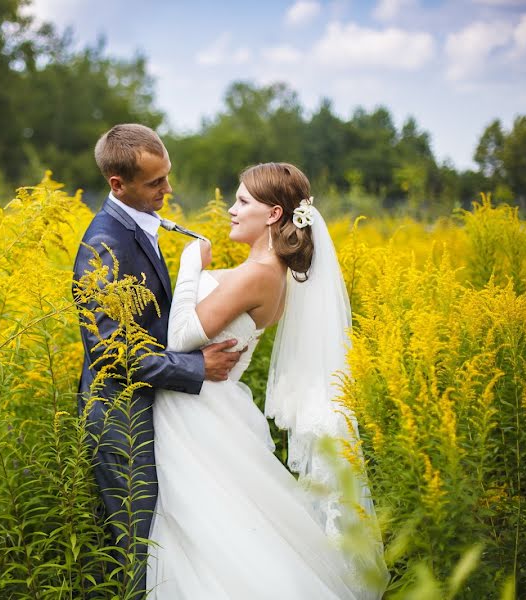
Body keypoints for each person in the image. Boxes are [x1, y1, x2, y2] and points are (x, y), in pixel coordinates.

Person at [147, 162, 388, 599]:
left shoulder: (259, 273)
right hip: (211, 407)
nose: (231, 210)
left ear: (274, 214)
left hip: (198, 414)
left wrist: (188, 267)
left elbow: (180, 337)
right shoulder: (266, 272)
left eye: (242, 201)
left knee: (212, 537)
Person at [72, 123, 243, 596]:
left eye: (167, 176)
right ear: (117, 185)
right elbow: (110, 350)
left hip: (146, 407)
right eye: (155, 183)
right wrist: (195, 367)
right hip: (119, 417)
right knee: (135, 548)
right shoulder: (103, 245)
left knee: (156, 542)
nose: (168, 189)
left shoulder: (138, 225)